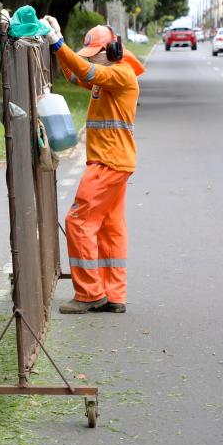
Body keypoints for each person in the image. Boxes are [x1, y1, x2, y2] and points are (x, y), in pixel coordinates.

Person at [43, 18, 144, 314]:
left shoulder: (121, 74)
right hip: (116, 162)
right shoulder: (109, 76)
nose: (90, 60)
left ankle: (89, 294)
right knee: (110, 227)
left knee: (79, 221)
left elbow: (85, 69)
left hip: (107, 163)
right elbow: (77, 74)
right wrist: (59, 38)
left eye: (94, 54)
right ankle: (114, 295)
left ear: (110, 51)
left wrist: (56, 43)